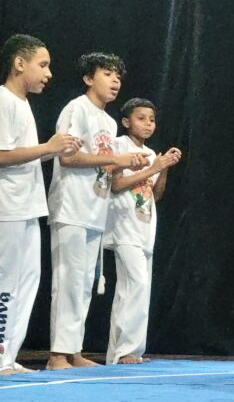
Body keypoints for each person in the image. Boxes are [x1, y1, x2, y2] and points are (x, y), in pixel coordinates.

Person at [47, 52, 147, 370]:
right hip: (71, 206)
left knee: (84, 283)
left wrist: (126, 164)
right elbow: (66, 156)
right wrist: (116, 159)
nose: (115, 80)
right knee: (68, 280)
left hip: (95, 209)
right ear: (89, 78)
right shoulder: (77, 109)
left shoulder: (108, 121)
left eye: (118, 75)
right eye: (107, 73)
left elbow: (103, 164)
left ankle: (73, 350)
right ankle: (57, 355)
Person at [0, 34, 81, 375]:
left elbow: (22, 156)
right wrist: (49, 147)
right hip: (7, 207)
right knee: (5, 284)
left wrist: (54, 151)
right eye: (43, 65)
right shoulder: (3, 99)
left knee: (28, 282)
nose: (49, 74)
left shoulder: (22, 104)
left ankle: (7, 357)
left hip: (28, 206)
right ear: (19, 63)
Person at [103, 98, 181, 365]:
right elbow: (116, 184)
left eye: (152, 119)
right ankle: (125, 350)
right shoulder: (119, 146)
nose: (148, 124)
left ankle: (126, 352)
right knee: (135, 284)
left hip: (145, 228)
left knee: (136, 288)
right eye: (141, 118)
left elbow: (155, 195)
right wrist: (155, 167)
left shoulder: (149, 153)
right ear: (126, 122)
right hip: (124, 226)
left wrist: (163, 168)